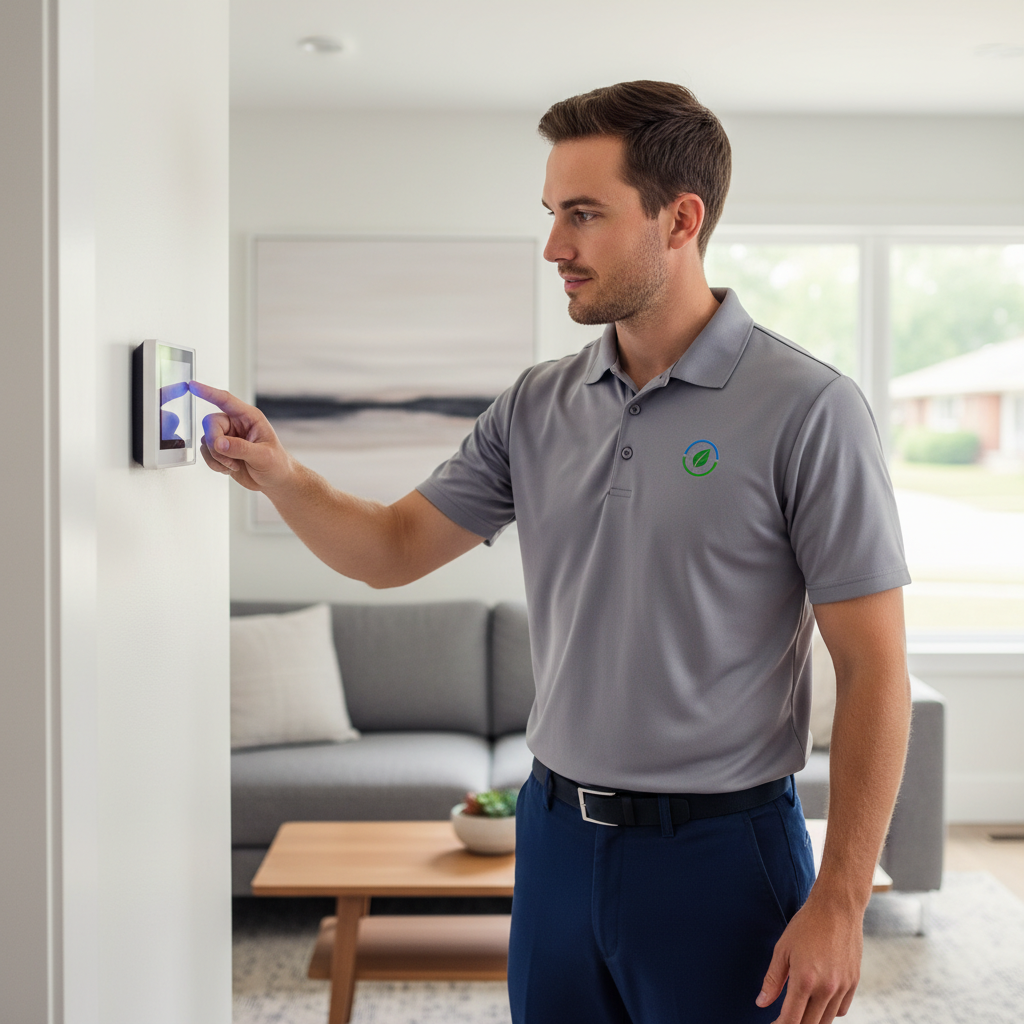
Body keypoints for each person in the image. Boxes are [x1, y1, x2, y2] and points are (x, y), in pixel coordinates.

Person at [192, 81, 912, 1024]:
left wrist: (843, 900)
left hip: (722, 856)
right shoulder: (536, 405)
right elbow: (392, 549)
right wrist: (281, 475)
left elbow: (875, 669)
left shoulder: (810, 408)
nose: (554, 247)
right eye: (551, 214)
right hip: (556, 841)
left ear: (680, 219)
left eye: (584, 214)